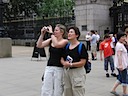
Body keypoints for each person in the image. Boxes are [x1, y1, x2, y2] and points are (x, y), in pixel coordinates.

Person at [36, 24, 68, 96]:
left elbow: (57, 45)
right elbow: (39, 45)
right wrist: (42, 34)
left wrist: (51, 33)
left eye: (56, 30)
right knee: (46, 88)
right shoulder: (51, 40)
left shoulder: (65, 41)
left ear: (62, 32)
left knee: (57, 89)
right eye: (54, 30)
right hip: (49, 66)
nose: (54, 32)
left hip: (59, 68)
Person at [61, 26, 88, 96]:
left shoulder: (81, 46)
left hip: (77, 72)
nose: (69, 34)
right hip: (67, 71)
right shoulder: (67, 46)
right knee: (67, 91)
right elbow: (62, 57)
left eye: (71, 32)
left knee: (78, 91)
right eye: (68, 32)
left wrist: (71, 64)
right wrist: (64, 63)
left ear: (77, 35)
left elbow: (83, 62)